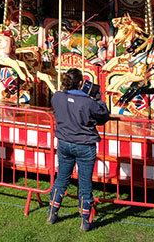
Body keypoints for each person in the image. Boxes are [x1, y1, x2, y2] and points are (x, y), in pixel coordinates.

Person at [47, 67, 110, 232]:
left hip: (64, 143)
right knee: (85, 184)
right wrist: (98, 99)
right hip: (84, 144)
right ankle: (85, 221)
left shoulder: (57, 97)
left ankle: (52, 213)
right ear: (81, 83)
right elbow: (103, 116)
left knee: (61, 179)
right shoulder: (88, 102)